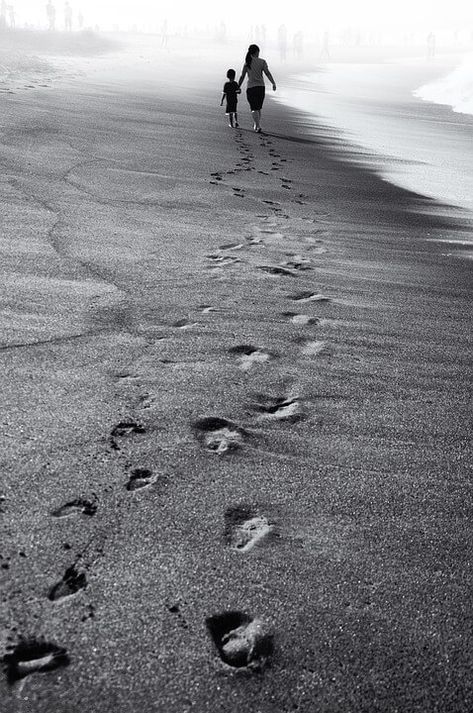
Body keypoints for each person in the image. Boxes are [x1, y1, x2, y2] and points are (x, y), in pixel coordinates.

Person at [238, 44, 276, 133]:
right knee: (258, 108)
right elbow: (267, 73)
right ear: (256, 52)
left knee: (254, 108)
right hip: (261, 88)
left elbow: (242, 76)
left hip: (251, 88)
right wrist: (273, 83)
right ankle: (257, 124)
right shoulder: (262, 62)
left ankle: (257, 125)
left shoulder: (247, 63)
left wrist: (238, 87)